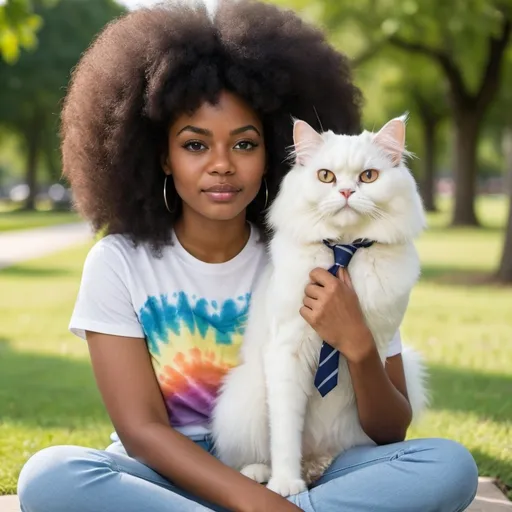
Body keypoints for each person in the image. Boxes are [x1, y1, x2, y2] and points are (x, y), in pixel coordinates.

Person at [17, 1, 478, 511]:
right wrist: (258, 505)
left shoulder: (322, 255)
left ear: (275, 152)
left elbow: (392, 430)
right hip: (167, 472)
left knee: (449, 465)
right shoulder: (117, 262)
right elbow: (143, 431)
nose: (221, 166)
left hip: (304, 468)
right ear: (161, 156)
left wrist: (360, 347)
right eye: (195, 146)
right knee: (51, 475)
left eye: (245, 144)